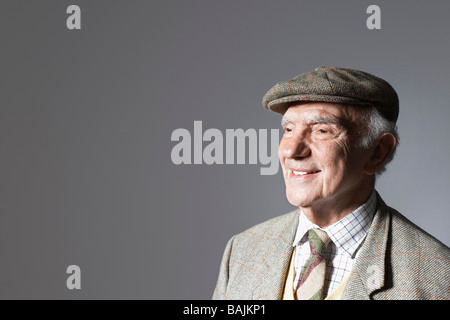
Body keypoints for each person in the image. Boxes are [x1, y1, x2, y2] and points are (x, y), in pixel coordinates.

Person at [212, 66, 450, 300]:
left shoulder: (439, 277)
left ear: (378, 152)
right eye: (289, 129)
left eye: (322, 130)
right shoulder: (242, 250)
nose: (292, 150)